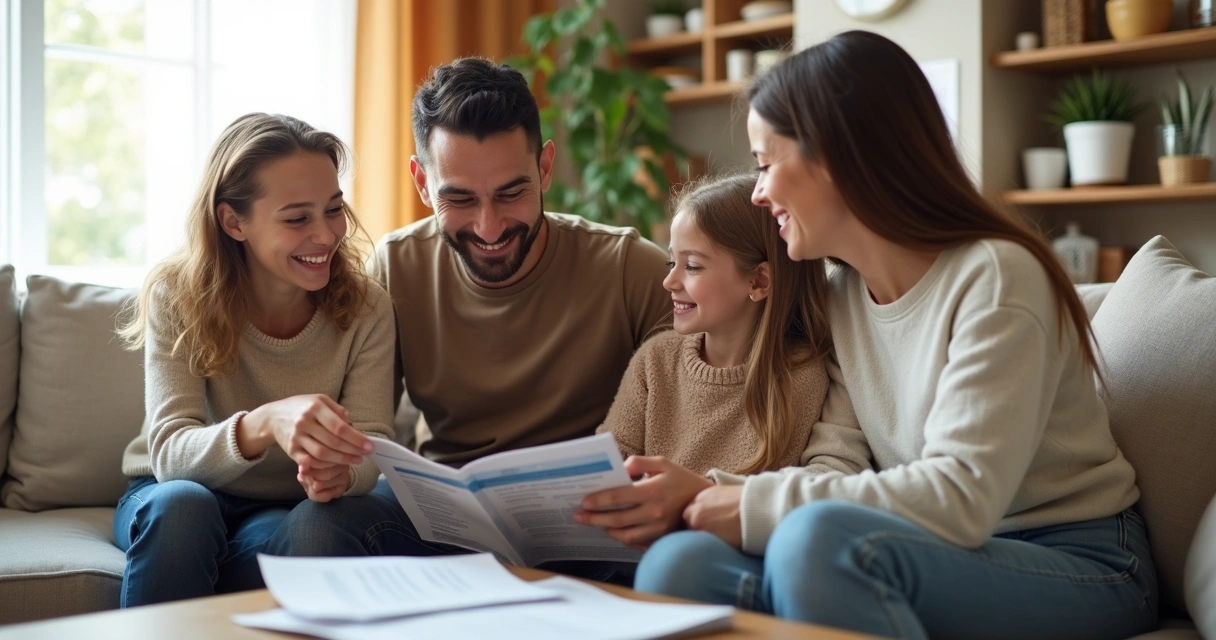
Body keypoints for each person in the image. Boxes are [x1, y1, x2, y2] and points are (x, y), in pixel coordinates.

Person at [633, 31, 1156, 640]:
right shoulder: (843, 297)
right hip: (927, 549)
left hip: (1081, 558)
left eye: (765, 164)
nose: (757, 191)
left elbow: (961, 497)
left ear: (838, 158)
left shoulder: (996, 276)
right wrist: (707, 492)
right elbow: (841, 462)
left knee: (814, 544)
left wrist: (751, 508)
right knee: (681, 562)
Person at [268, 58, 670, 583]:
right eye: (458, 198)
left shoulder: (629, 268)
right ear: (420, 180)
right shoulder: (394, 267)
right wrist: (331, 463)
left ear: (545, 168)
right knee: (318, 528)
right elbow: (364, 424)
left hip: (593, 524)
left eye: (511, 193)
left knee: (669, 558)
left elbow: (696, 412)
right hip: (445, 518)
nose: (489, 226)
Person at [114, 113, 396, 607]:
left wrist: (342, 474)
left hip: (277, 505)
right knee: (185, 508)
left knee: (307, 533)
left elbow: (373, 443)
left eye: (334, 210)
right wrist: (266, 422)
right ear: (233, 221)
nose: (327, 235)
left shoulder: (367, 306)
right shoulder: (177, 295)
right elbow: (169, 454)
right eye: (297, 218)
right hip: (168, 492)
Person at [575, 173, 853, 550]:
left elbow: (793, 503)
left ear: (759, 281)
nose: (669, 282)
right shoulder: (655, 360)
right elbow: (607, 464)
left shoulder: (803, 376)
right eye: (671, 262)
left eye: (691, 266)